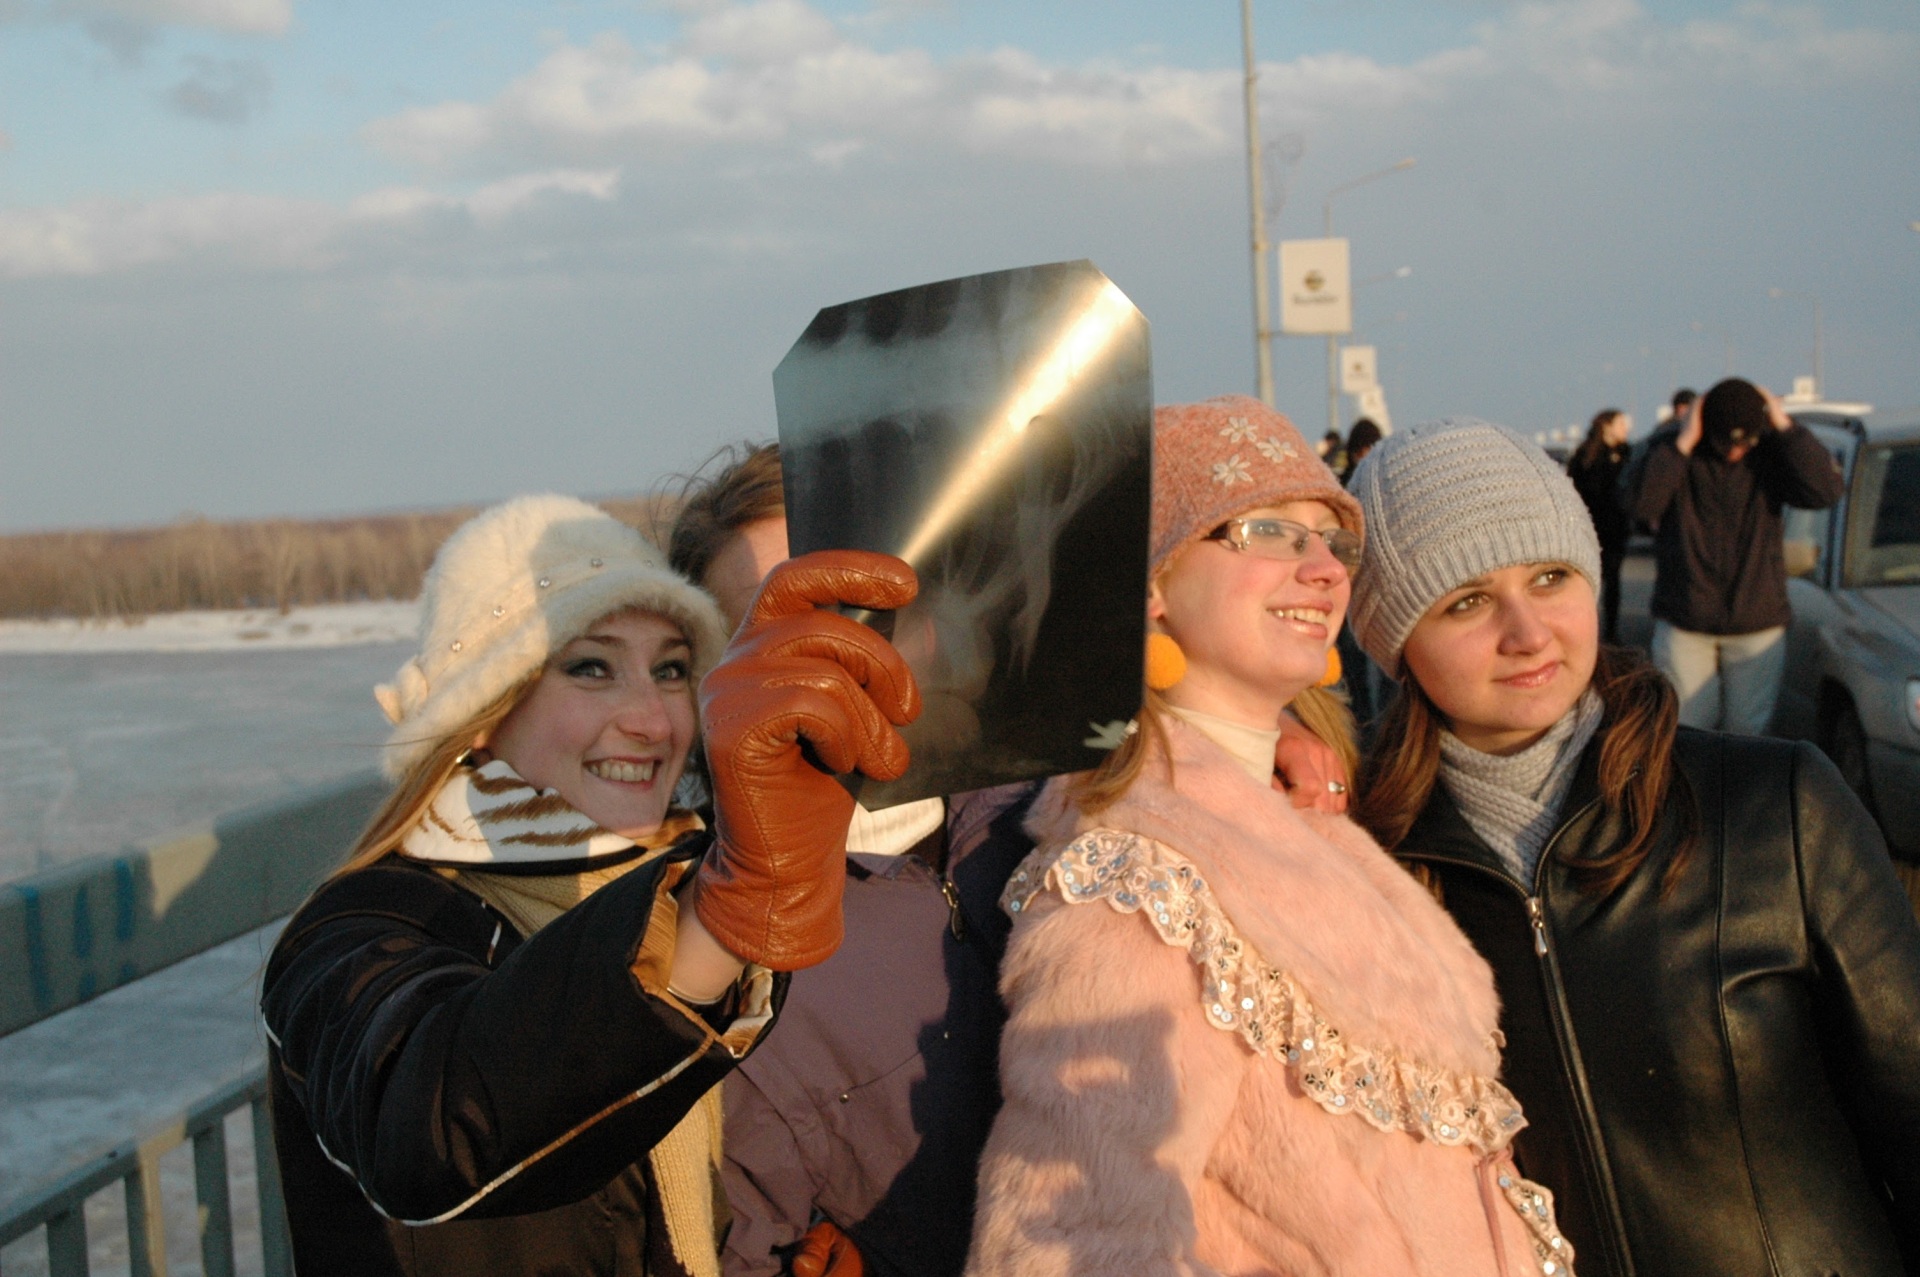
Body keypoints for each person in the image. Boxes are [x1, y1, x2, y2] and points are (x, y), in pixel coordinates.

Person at [673, 442, 1353, 1277]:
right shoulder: (724, 955)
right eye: (777, 624)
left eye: (855, 597)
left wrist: (1257, 745)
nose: (838, 648)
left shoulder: (1072, 796)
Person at [966, 396, 1574, 1277]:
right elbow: (1069, 1241)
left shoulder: (1314, 824)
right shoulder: (1134, 882)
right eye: (1268, 531)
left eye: (1332, 542)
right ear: (1151, 584)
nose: (1324, 570)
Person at [261, 493, 921, 1276]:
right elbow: (427, 1126)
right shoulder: (356, 928)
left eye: (671, 669)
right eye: (591, 667)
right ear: (482, 709)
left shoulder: (673, 872)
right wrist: (722, 909)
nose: (653, 719)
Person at [1349, 417, 1920, 1277]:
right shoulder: (1363, 875)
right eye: (1466, 601)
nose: (1528, 632)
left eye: (1551, 577)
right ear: (1395, 643)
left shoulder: (1773, 804)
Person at [1629, 377, 1841, 733]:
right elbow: (1639, 504)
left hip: (1757, 619)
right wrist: (1683, 443)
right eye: (1724, 442)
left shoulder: (1772, 452)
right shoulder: (1673, 449)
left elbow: (1825, 491)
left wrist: (1785, 427)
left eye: (1745, 443)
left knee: (1748, 734)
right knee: (1688, 729)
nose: (1734, 451)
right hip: (1685, 616)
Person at [1564, 408, 1631, 643]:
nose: (1626, 429)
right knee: (1588, 580)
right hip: (1590, 526)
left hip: (1616, 528)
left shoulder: (1627, 454)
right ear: (1607, 426)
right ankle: (1584, 630)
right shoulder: (1586, 454)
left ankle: (1610, 632)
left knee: (1613, 580)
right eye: (1621, 424)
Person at [1339, 416, 1383, 486]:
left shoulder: (1385, 481)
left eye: (1369, 453)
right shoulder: (1341, 485)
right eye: (1359, 453)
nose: (1363, 458)